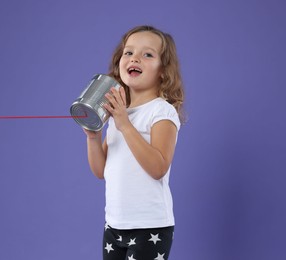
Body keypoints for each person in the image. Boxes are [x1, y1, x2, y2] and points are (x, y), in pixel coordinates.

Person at [83, 25, 185, 260]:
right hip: (114, 225)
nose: (135, 58)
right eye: (128, 52)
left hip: (149, 228)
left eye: (147, 54)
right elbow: (101, 171)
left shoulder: (161, 112)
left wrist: (124, 125)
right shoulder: (121, 113)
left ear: (163, 71)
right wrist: (93, 137)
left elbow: (158, 168)